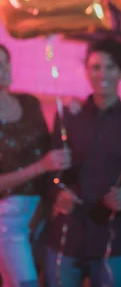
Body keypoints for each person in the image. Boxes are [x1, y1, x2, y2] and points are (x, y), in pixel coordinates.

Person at [43, 38, 121, 287]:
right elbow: (49, 173)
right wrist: (57, 193)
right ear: (87, 71)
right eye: (95, 67)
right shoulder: (68, 117)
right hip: (66, 239)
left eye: (110, 67)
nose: (101, 74)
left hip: (114, 242)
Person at [0, 44, 72, 287]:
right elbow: (44, 162)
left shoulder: (29, 102)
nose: (4, 68)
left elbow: (50, 144)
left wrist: (73, 110)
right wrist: (40, 167)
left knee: (43, 277)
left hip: (43, 208)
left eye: (6, 61)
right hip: (8, 216)